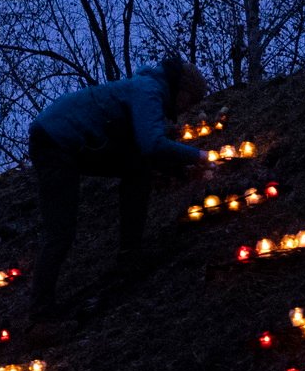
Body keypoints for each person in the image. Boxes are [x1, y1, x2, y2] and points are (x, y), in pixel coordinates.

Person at [26, 57, 212, 323]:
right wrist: (199, 156)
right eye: (189, 101)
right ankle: (40, 316)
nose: (185, 109)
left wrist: (175, 170)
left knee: (136, 169)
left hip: (73, 141)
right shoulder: (149, 90)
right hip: (56, 141)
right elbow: (151, 143)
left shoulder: (145, 88)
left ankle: (129, 254)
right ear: (182, 91)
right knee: (60, 230)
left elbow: (138, 150)